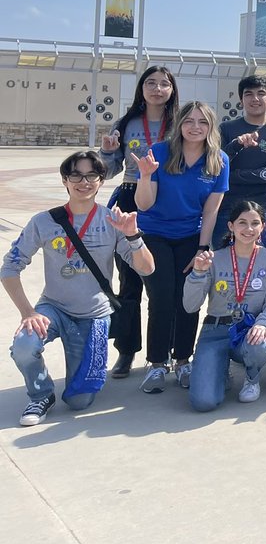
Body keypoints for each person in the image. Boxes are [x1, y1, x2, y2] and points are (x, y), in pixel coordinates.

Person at [4, 151, 154, 425]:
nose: (83, 182)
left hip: (93, 316)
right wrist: (28, 312)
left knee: (79, 402)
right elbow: (9, 269)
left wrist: (133, 235)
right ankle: (41, 394)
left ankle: (79, 378)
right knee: (24, 346)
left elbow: (147, 268)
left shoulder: (113, 221)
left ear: (101, 181)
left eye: (91, 176)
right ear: (65, 180)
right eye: (76, 175)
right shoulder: (44, 221)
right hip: (54, 308)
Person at [133, 100, 229, 394]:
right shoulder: (160, 153)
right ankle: (157, 363)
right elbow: (143, 204)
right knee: (162, 297)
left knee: (188, 300)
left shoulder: (219, 160)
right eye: (189, 121)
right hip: (155, 234)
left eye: (202, 122)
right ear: (179, 125)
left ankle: (183, 359)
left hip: (191, 236)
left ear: (211, 127)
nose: (195, 127)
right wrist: (147, 175)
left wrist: (203, 247)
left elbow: (211, 211)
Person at [97, 65, 178, 378]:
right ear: (141, 88)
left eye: (164, 83)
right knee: (129, 282)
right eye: (151, 83)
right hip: (130, 198)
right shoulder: (126, 123)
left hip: (165, 202)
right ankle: (127, 351)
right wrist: (106, 153)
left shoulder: (179, 123)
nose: (157, 89)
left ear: (172, 89)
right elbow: (110, 170)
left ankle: (167, 349)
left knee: (164, 283)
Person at [183, 200, 266, 410]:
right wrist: (198, 273)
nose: (249, 229)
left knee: (260, 344)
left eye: (255, 223)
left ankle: (251, 377)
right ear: (231, 226)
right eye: (242, 223)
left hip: (249, 330)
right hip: (216, 329)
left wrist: (262, 324)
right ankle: (220, 370)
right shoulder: (214, 259)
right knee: (203, 403)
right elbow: (190, 306)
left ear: (263, 227)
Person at [217, 75, 266, 247]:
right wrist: (236, 145)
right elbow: (216, 165)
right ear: (241, 100)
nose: (255, 98)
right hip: (226, 207)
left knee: (259, 263)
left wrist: (232, 175)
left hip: (261, 207)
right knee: (222, 263)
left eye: (261, 93)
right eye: (248, 94)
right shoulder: (226, 129)